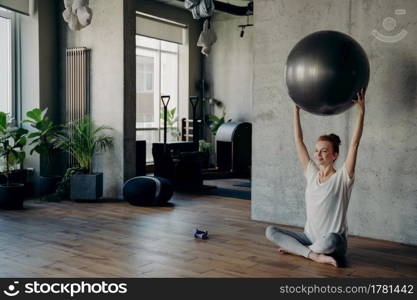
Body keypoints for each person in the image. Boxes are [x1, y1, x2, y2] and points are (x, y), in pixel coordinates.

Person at [265, 89, 366, 267]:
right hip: (309, 237)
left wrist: (361, 111)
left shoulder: (342, 178)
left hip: (334, 242)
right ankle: (313, 254)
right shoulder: (312, 173)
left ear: (334, 155)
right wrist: (295, 111)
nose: (318, 155)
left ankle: (301, 250)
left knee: (332, 241)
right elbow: (298, 140)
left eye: (324, 151)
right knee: (270, 231)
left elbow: (355, 144)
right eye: (316, 151)